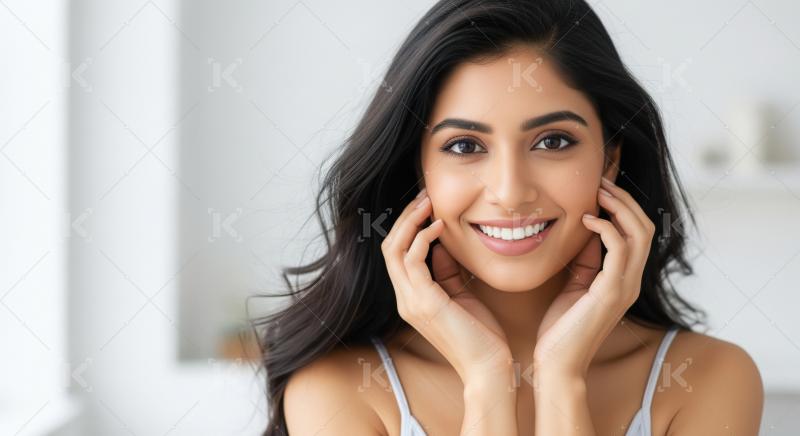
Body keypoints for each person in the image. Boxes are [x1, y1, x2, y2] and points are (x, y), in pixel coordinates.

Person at [253, 0, 764, 434]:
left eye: (553, 141)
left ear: (610, 157)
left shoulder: (709, 378)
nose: (510, 192)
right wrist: (487, 381)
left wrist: (563, 379)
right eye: (465, 145)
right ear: (418, 168)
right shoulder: (339, 390)